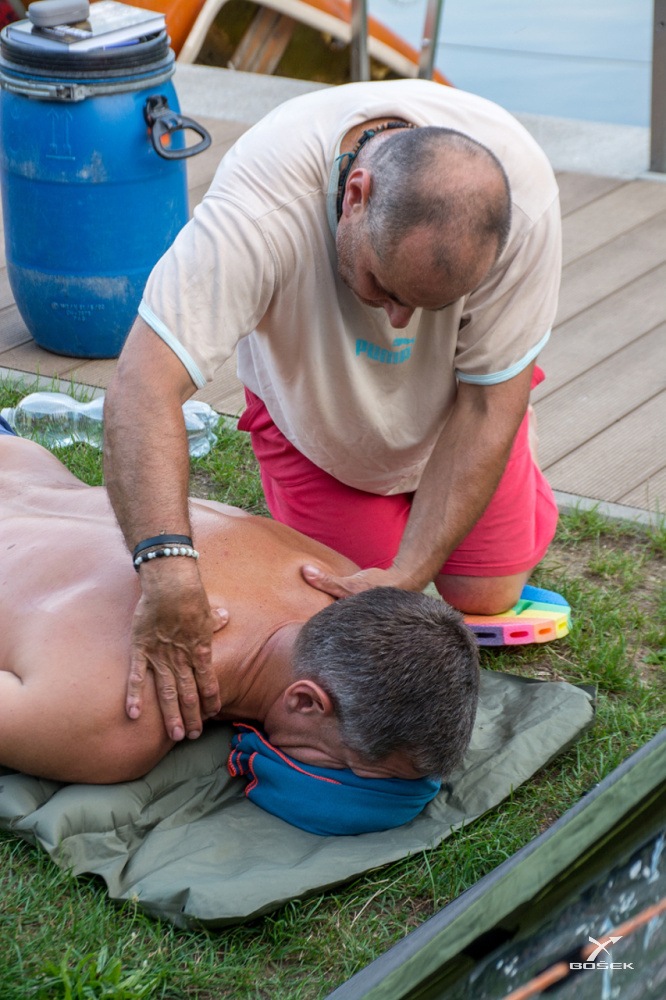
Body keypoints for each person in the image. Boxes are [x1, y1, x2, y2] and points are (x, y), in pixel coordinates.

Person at [103, 78, 561, 743]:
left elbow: (489, 403)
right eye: (385, 286)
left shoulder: (525, 198)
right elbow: (141, 387)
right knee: (336, 619)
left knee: (485, 597)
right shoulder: (259, 208)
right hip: (312, 419)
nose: (399, 321)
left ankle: (510, 430)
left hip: (462, 405)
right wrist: (167, 574)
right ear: (355, 196)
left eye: (427, 306)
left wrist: (410, 573)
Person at [0, 428, 479, 833]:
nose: (351, 782)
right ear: (304, 701)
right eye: (354, 769)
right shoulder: (123, 717)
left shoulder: (335, 575)